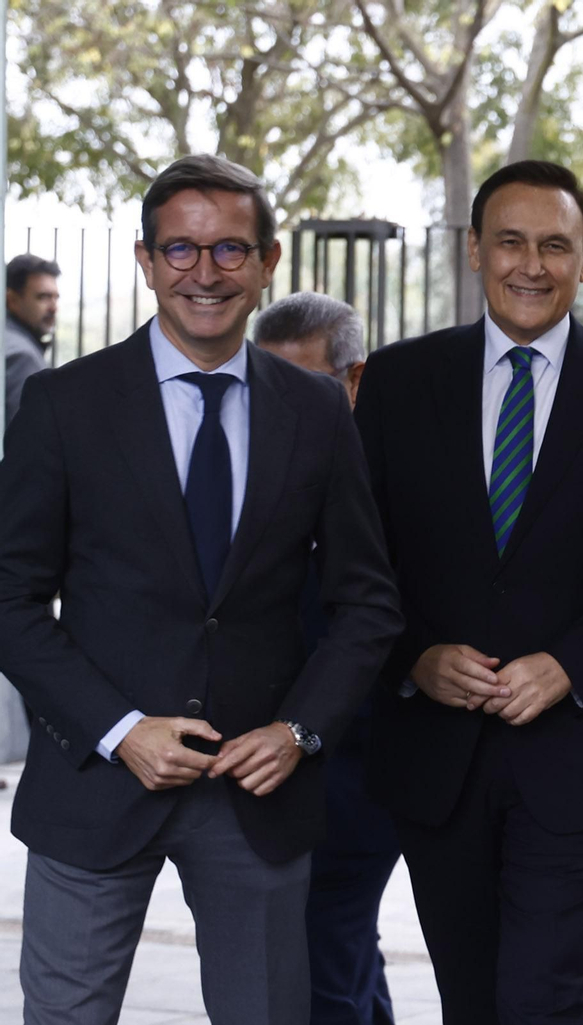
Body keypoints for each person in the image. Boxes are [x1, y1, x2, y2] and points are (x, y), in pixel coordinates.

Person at [0, 154, 404, 1025]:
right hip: (95, 783)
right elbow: (9, 598)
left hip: (256, 792)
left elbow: (367, 603)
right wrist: (117, 730)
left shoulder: (316, 411)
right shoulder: (63, 404)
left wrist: (299, 730)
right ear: (145, 262)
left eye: (230, 250)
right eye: (179, 250)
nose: (205, 273)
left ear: (268, 262)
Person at [353, 159, 583, 1024]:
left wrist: (568, 664)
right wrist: (415, 659)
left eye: (557, 244)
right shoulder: (399, 382)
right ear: (475, 250)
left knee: (542, 994)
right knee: (472, 998)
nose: (532, 263)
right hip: (436, 757)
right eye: (510, 241)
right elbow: (359, 561)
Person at [254, 291, 398, 1025]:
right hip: (270, 770)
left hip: (358, 770)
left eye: (301, 382)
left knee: (323, 967)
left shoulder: (393, 482)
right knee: (343, 954)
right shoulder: (254, 462)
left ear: (353, 378)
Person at [5, 253, 61, 428]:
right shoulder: (21, 356)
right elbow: (28, 436)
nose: (53, 307)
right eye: (43, 297)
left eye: (55, 297)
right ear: (12, 300)